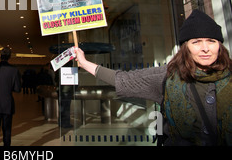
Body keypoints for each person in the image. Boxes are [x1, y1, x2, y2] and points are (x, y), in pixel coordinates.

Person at [74, 9, 232, 146]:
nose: (205, 48)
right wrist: (84, 62)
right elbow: (123, 80)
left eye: (211, 41)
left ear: (219, 46)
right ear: (186, 48)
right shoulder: (168, 76)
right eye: (196, 42)